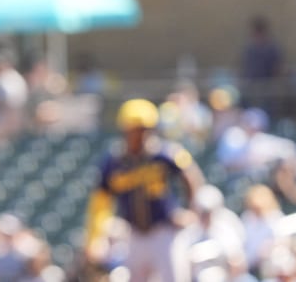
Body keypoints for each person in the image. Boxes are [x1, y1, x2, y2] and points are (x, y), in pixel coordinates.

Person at [84, 98, 205, 282]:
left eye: (144, 129)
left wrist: (192, 211)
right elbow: (101, 201)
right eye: (135, 130)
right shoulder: (114, 161)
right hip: (134, 234)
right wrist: (95, 237)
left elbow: (191, 176)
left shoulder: (164, 153)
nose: (140, 135)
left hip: (164, 231)